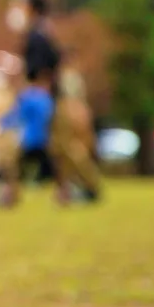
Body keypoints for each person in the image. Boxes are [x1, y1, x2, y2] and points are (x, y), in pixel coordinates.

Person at [0, 0, 61, 207]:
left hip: (36, 99)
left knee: (15, 143)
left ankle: (11, 192)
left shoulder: (38, 36)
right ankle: (12, 191)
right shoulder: (41, 33)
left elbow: (42, 71)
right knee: (39, 148)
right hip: (37, 97)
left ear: (32, 9)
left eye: (20, 5)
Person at [49, 50, 101, 202]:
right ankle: (72, 189)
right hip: (72, 122)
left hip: (73, 123)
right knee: (68, 156)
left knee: (74, 155)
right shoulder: (69, 84)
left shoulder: (68, 85)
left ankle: (81, 187)